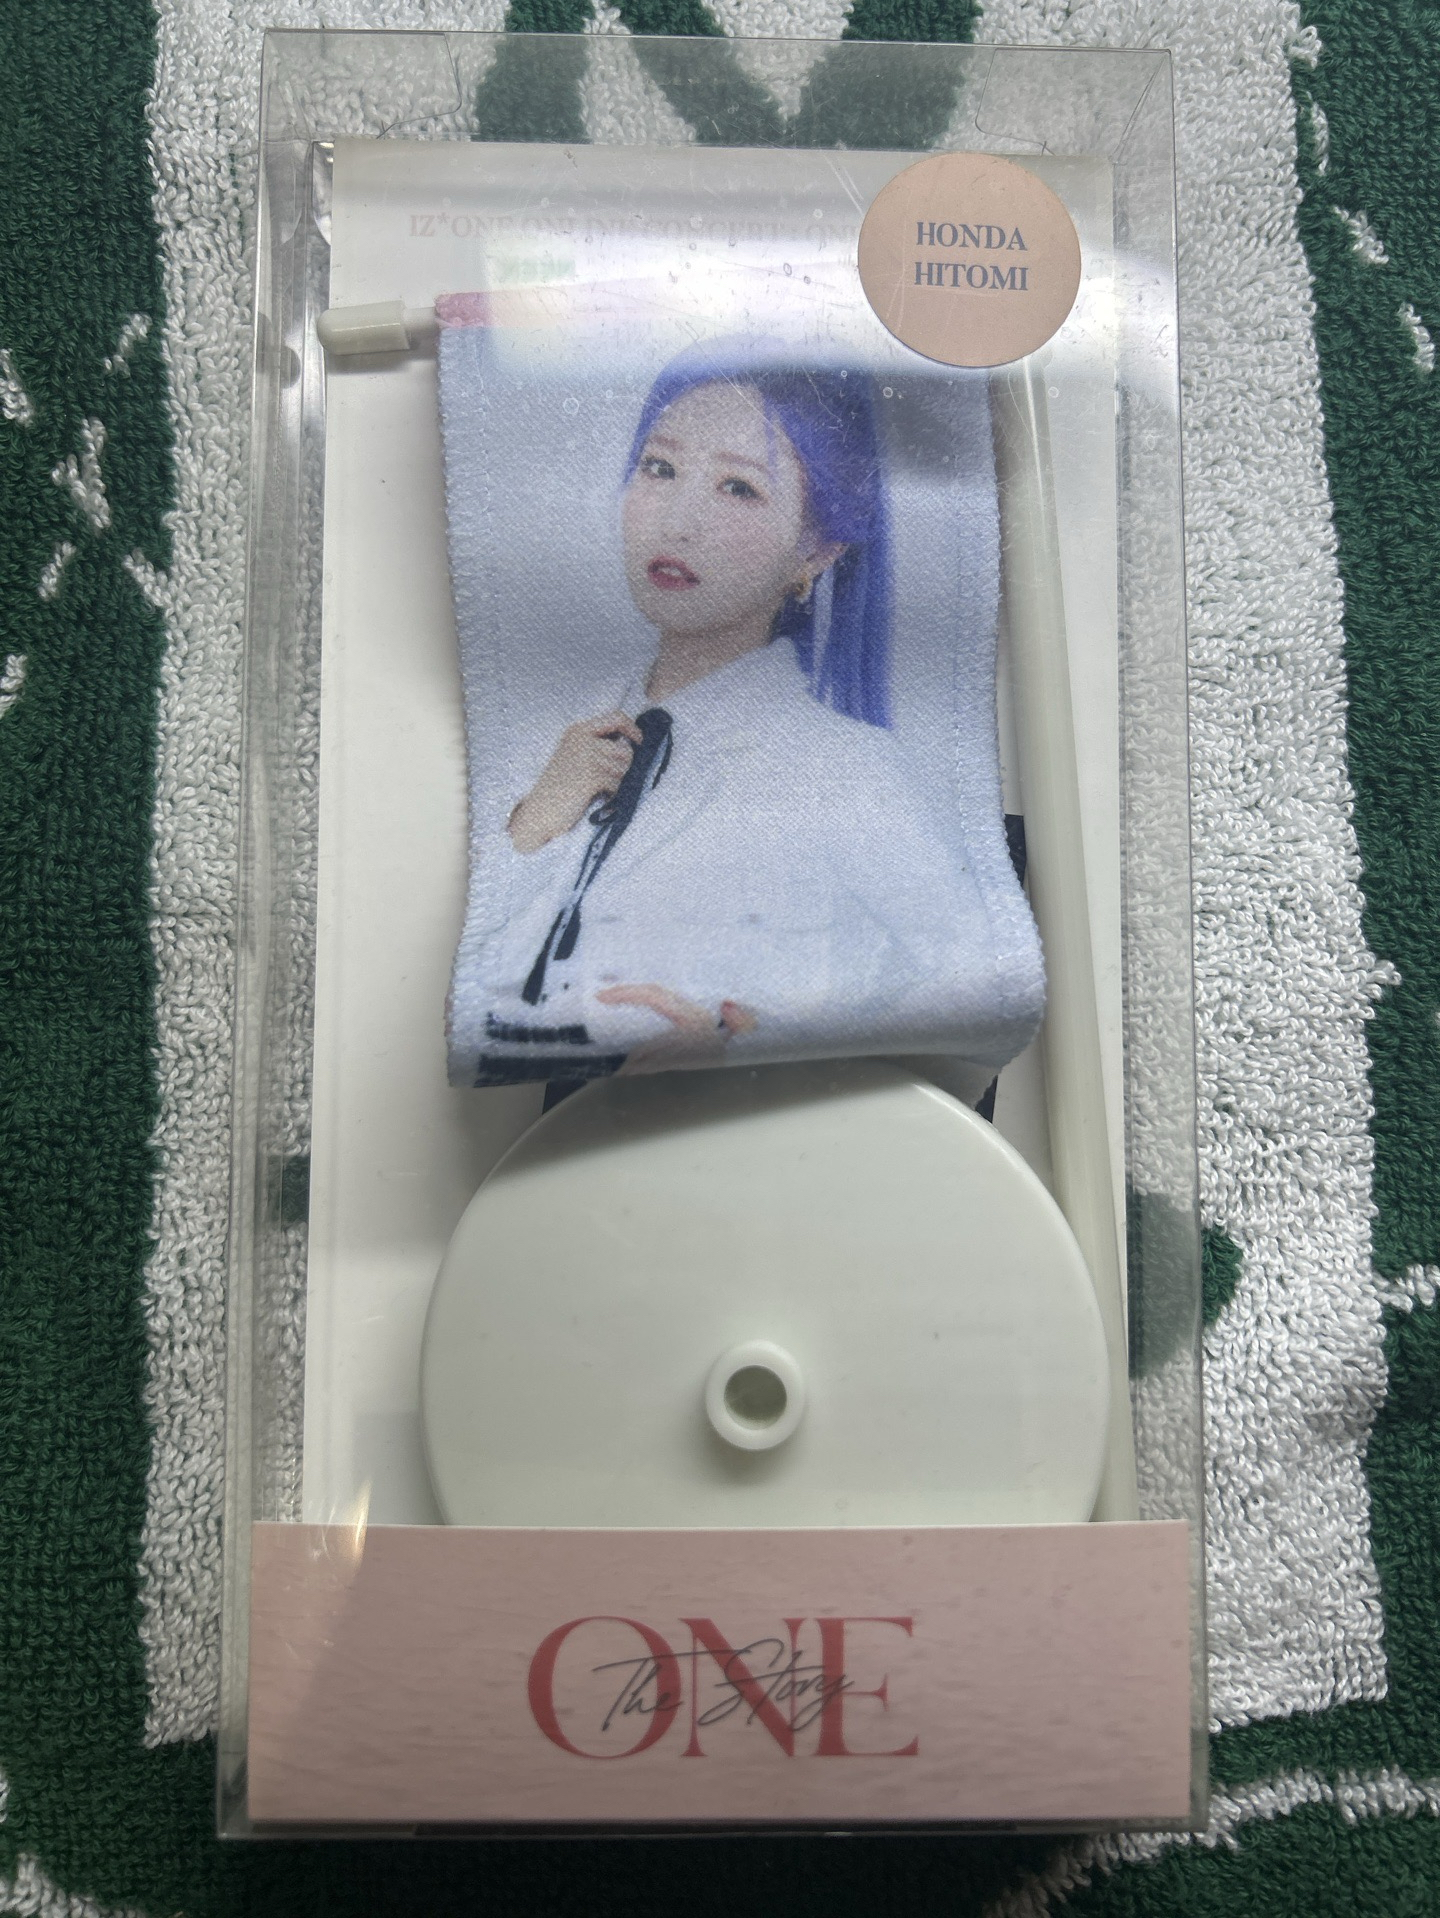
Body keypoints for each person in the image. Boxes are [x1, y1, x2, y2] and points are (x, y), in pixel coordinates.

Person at [459, 340, 1042, 1084]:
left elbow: (985, 999)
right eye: (659, 469)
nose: (678, 522)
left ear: (817, 551)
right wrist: (536, 822)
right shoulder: (557, 739)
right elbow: (470, 991)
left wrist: (750, 1040)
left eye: (738, 488)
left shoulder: (847, 772)